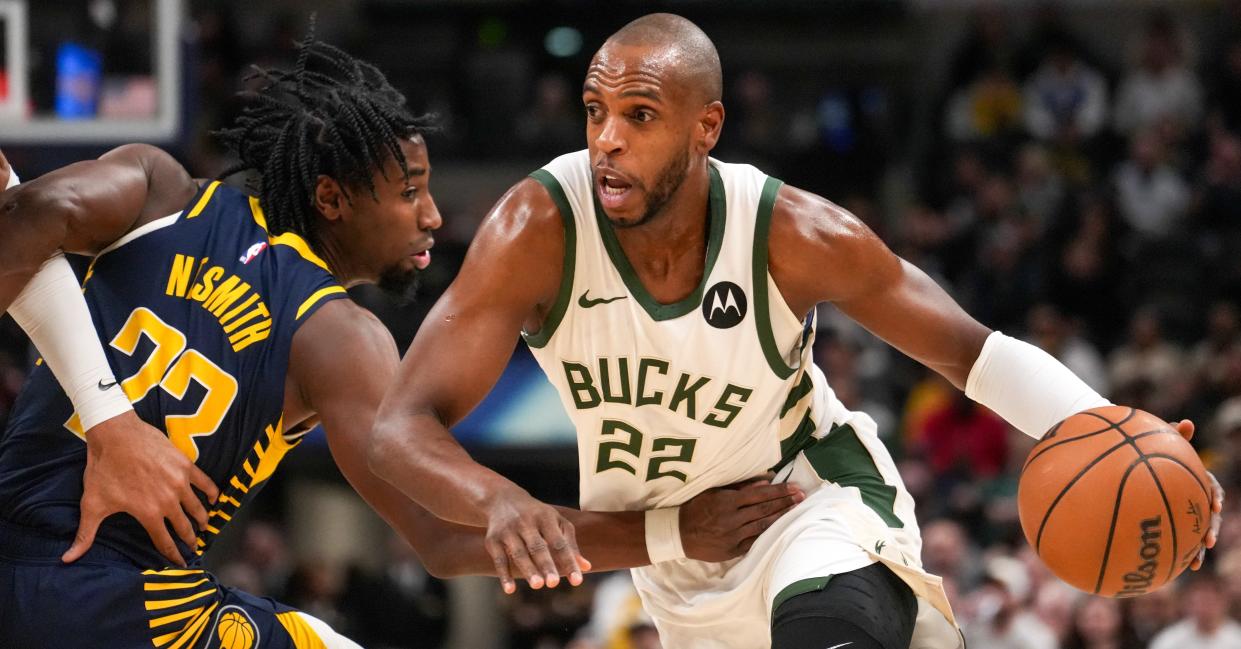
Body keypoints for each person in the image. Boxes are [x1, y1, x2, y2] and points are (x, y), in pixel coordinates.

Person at [370, 14, 1225, 649]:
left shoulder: (791, 233)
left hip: (809, 505)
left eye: (638, 116)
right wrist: (502, 500)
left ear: (705, 127)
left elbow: (969, 352)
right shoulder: (538, 227)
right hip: (675, 563)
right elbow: (400, 423)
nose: (606, 140)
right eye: (595, 112)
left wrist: (1123, 431)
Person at [0, 35, 799, 648]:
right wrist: (674, 532)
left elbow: (29, 218)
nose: (433, 217)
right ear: (332, 198)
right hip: (115, 601)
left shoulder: (155, 189)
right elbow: (447, 539)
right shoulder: (339, 335)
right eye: (410, 192)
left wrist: (100, 408)